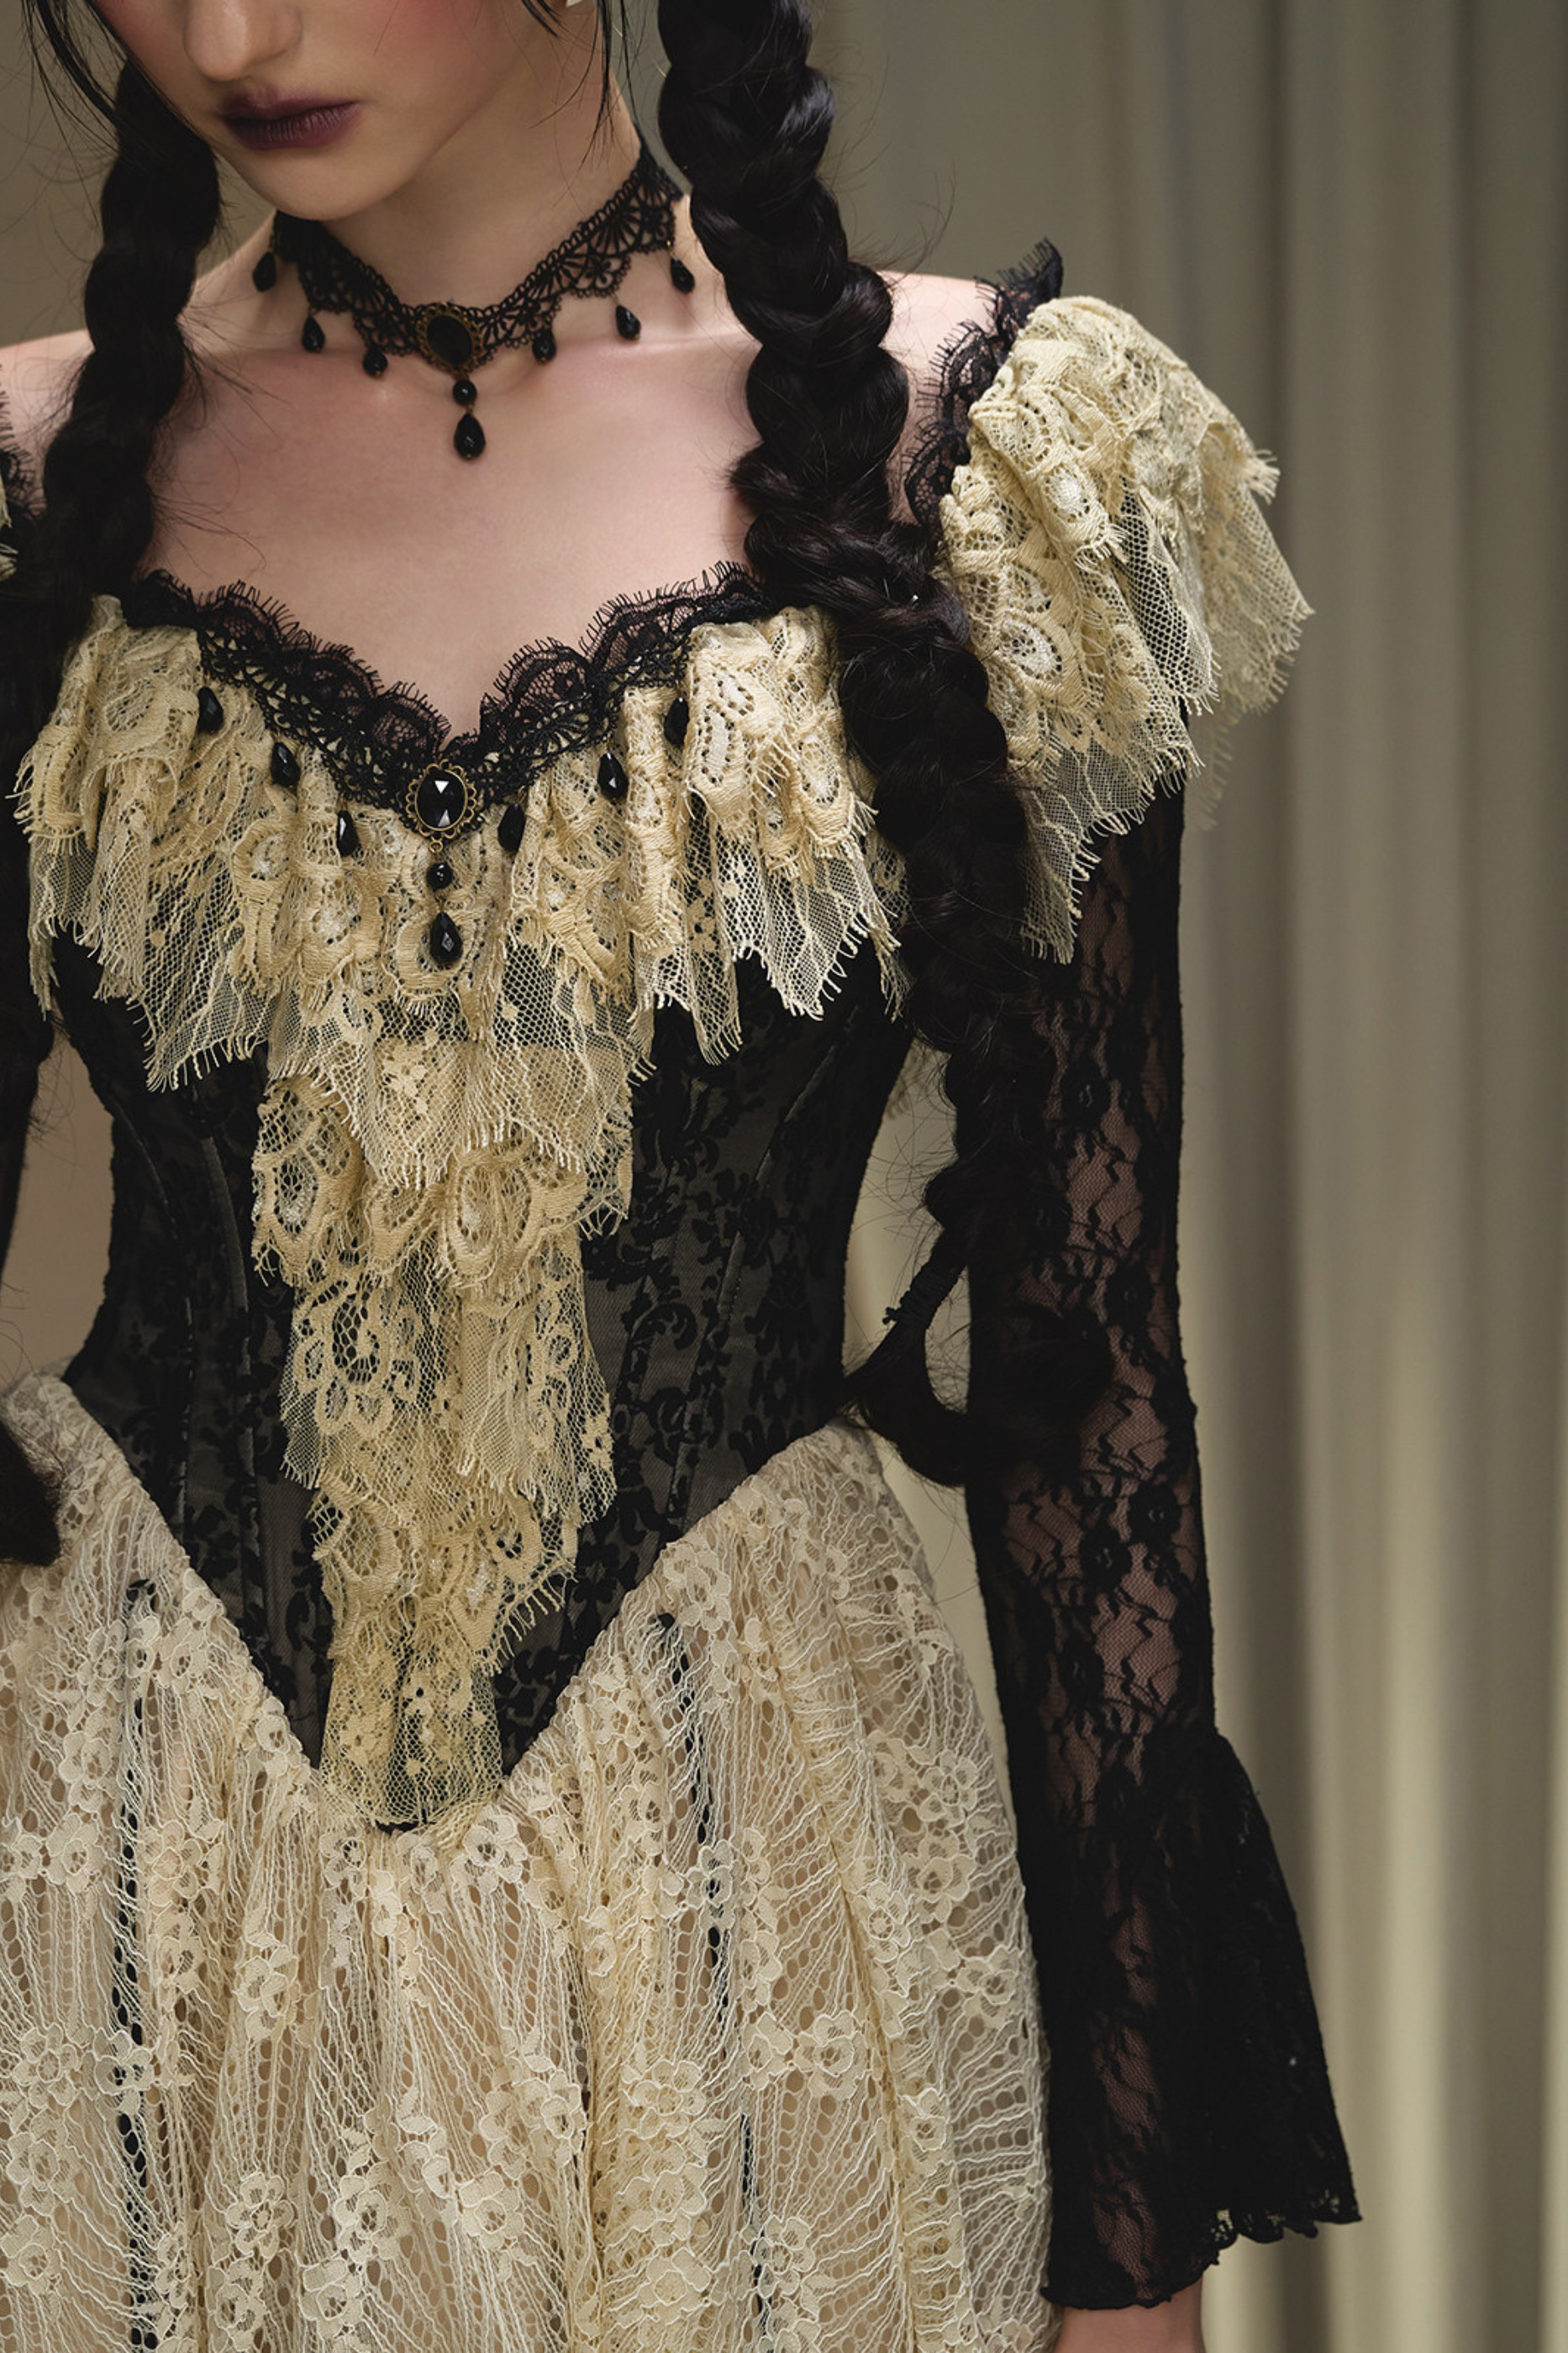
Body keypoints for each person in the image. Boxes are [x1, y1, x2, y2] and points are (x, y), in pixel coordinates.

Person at [0, 1, 1358, 2345]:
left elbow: (1094, 1397)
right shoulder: (28, 487)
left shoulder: (993, 463)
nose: (228, 28)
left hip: (763, 1907)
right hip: (127, 1899)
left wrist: (1132, 2255)